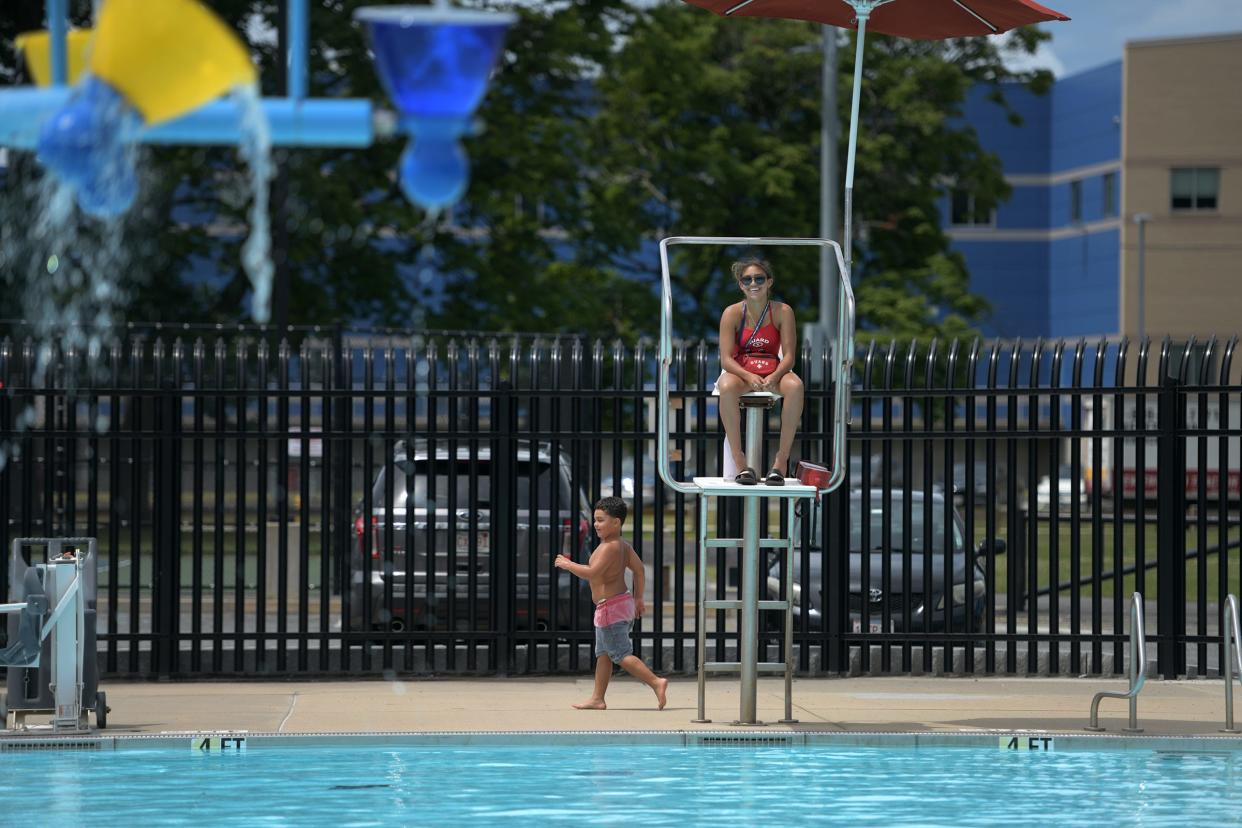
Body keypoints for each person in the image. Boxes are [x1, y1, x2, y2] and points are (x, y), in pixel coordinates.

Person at [554, 496, 668, 710]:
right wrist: (638, 597)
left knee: (621, 654)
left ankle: (656, 682)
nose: (596, 524)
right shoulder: (622, 546)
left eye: (601, 520)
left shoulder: (609, 548)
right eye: (595, 520)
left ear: (616, 522)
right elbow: (639, 570)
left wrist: (568, 564)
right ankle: (598, 698)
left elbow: (592, 573)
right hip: (620, 604)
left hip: (611, 609)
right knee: (604, 655)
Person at [716, 257, 804, 485]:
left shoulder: (783, 311)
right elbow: (726, 359)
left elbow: (790, 356)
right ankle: (740, 463)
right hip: (743, 371)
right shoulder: (732, 313)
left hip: (773, 370)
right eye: (747, 279)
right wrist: (748, 375)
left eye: (759, 278)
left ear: (769, 282)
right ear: (740, 285)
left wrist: (774, 376)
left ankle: (780, 461)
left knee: (795, 386)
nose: (753, 283)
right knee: (725, 386)